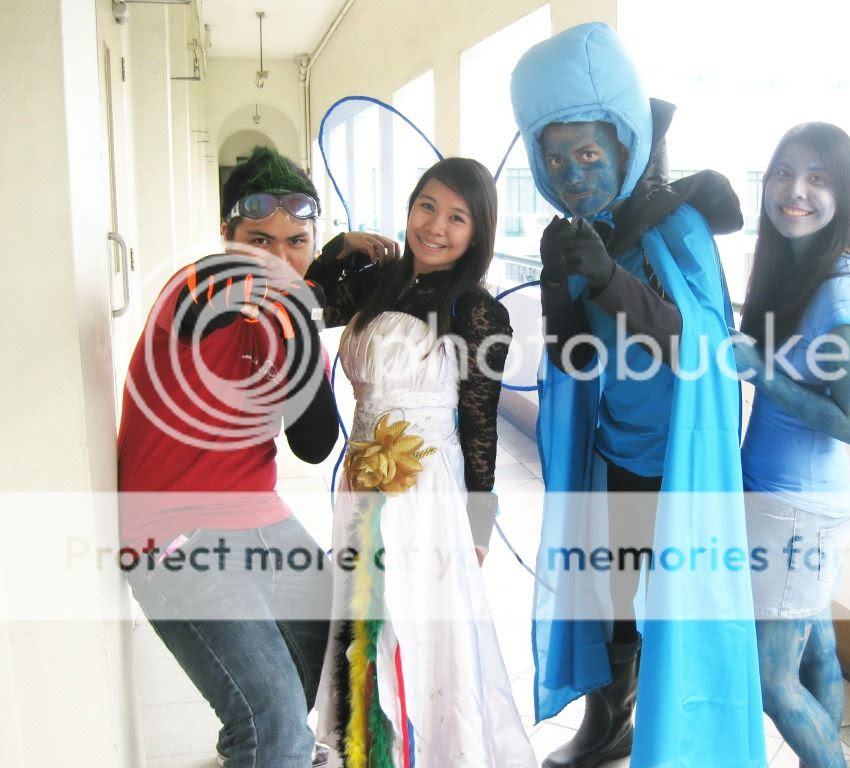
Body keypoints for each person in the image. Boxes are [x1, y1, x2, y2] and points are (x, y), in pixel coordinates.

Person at [510, 22, 765, 768]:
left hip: (679, 467)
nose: (573, 173)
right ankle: (612, 724)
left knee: (680, 610)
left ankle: (684, 741)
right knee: (612, 600)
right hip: (617, 455)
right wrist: (559, 286)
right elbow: (575, 358)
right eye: (556, 159)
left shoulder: (676, 226)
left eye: (588, 154)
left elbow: (700, 346)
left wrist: (607, 278)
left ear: (625, 148)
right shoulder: (588, 230)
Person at [118, 145, 395, 768]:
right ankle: (268, 744)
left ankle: (256, 747)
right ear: (226, 237)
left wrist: (312, 311)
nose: (277, 256)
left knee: (338, 647)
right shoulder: (192, 289)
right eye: (258, 240)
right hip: (172, 528)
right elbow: (214, 300)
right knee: (275, 727)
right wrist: (313, 282)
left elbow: (314, 443)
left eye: (296, 241)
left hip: (259, 516)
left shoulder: (291, 321)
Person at [306, 157, 537, 767]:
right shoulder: (377, 282)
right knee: (364, 615)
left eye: (457, 217)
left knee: (416, 618)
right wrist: (336, 249)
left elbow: (480, 424)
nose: (435, 226)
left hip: (426, 488)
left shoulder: (477, 311)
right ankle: (366, 747)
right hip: (360, 479)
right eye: (427, 206)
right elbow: (308, 309)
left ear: (478, 231)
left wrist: (479, 522)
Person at [731, 122, 850, 768]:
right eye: (784, 174)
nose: (796, 191)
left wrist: (762, 374)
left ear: (843, 194)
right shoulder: (799, 269)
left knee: (774, 683)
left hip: (799, 513)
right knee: (818, 654)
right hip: (786, 502)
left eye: (817, 178)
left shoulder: (841, 289)